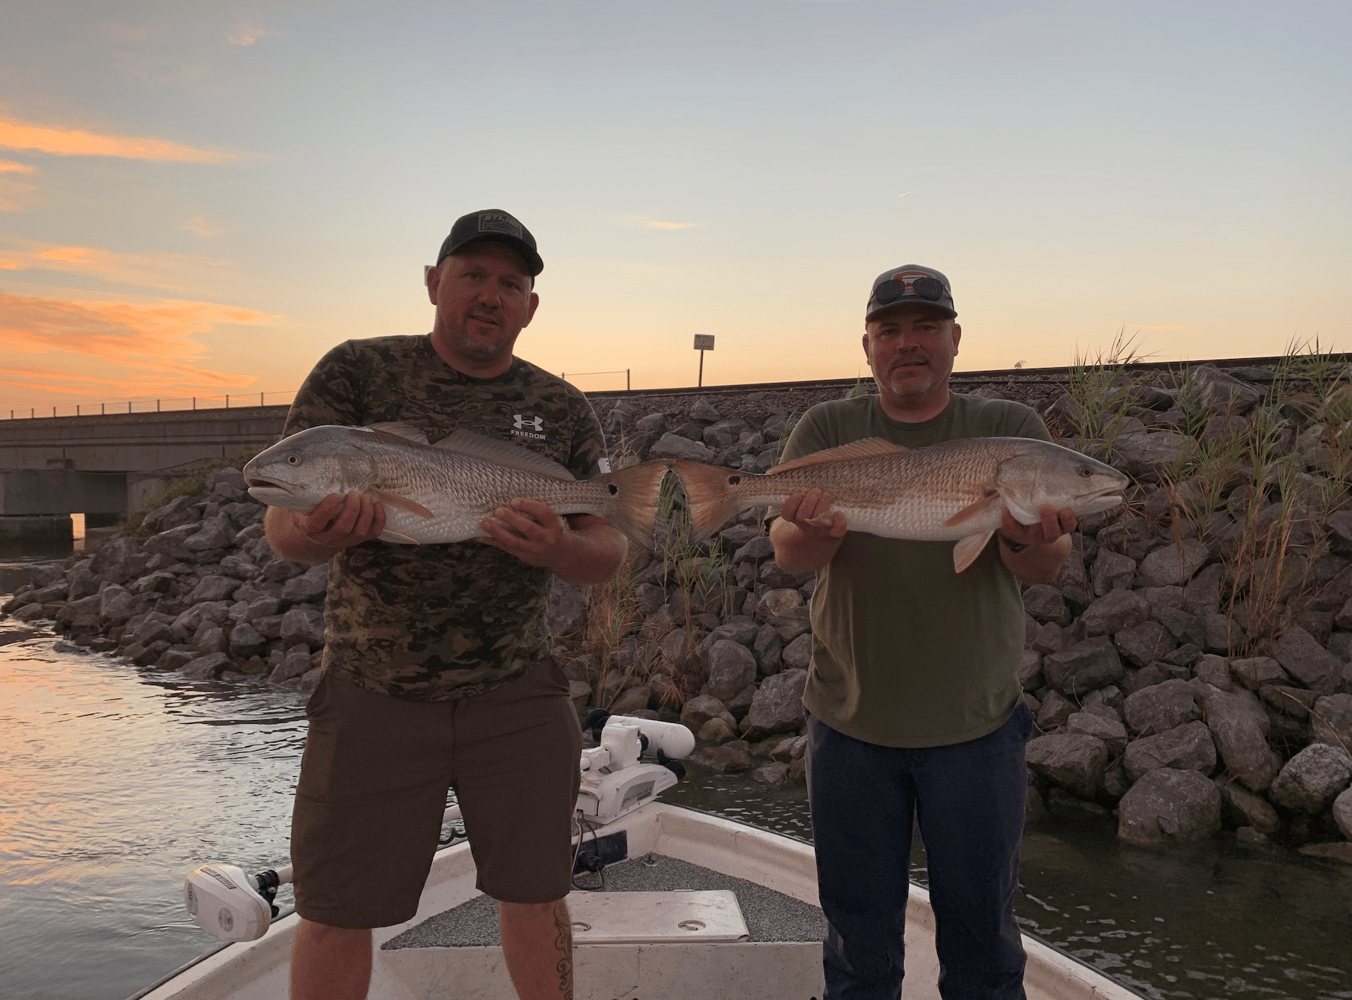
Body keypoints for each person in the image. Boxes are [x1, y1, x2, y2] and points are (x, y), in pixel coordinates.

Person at [264, 209, 627, 1000]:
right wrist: (322, 532)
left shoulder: (560, 408)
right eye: (472, 275)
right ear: (434, 282)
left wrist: (558, 548)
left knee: (539, 891)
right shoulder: (357, 371)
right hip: (371, 690)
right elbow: (283, 528)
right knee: (334, 906)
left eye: (511, 283)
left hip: (517, 692)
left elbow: (606, 549)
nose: (490, 296)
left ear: (531, 305)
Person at [769, 265, 1076, 999]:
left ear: (955, 340)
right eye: (891, 330)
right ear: (868, 345)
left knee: (982, 940)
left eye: (926, 328)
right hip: (849, 724)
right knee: (857, 941)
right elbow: (789, 552)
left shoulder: (1012, 435)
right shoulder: (827, 429)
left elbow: (1046, 567)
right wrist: (815, 529)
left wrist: (1029, 535)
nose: (909, 344)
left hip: (976, 727)